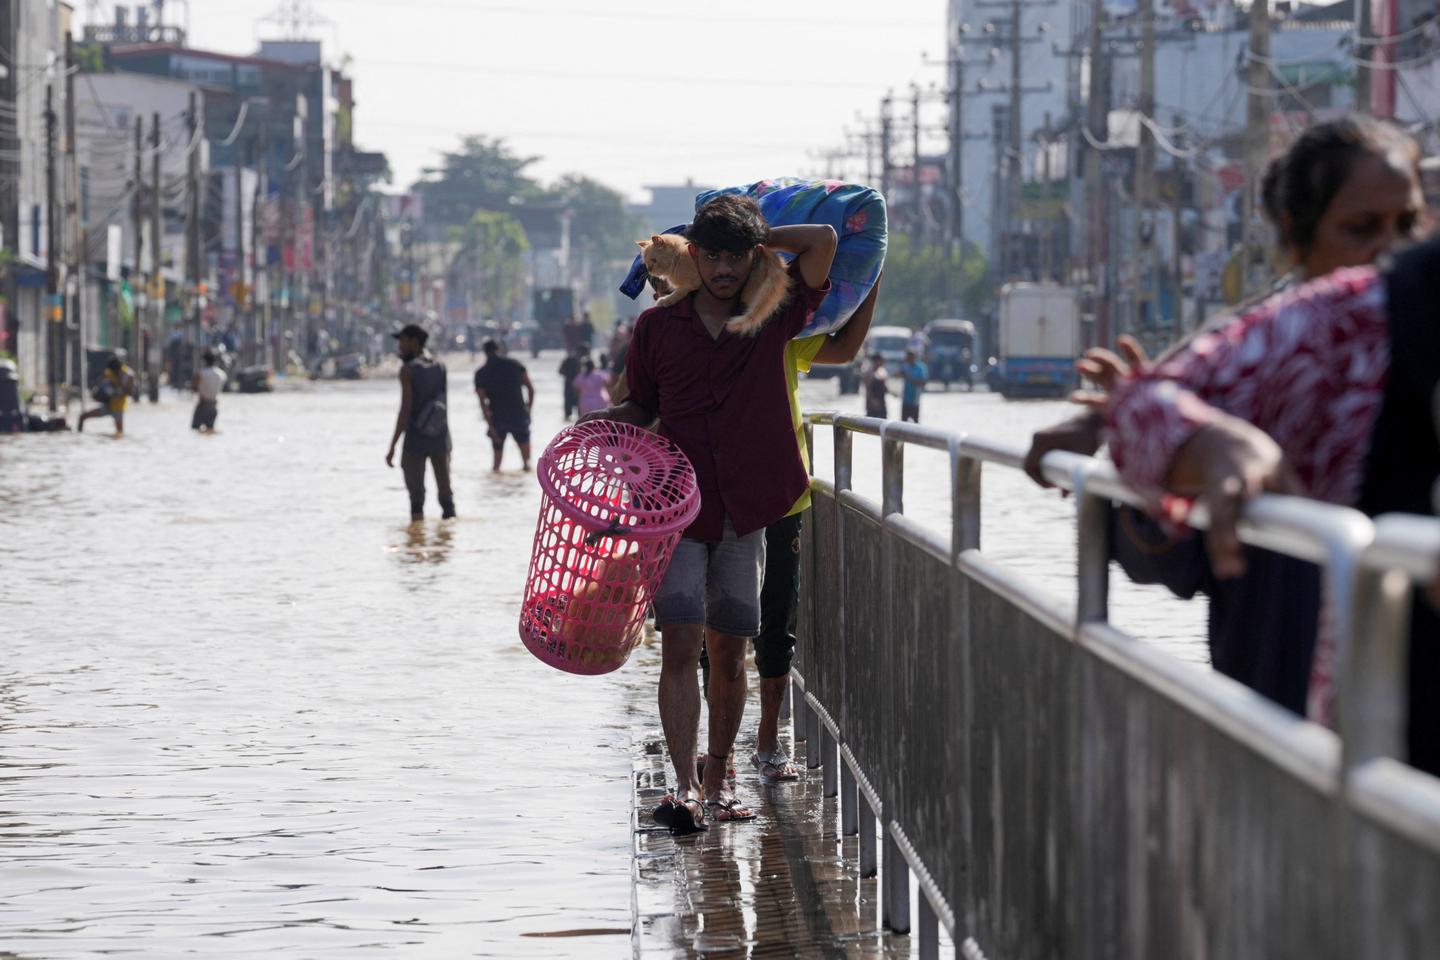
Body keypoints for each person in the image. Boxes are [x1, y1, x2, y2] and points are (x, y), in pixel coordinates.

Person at [1023, 114, 1424, 714]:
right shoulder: (1248, 362)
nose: (1388, 252)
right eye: (1362, 228)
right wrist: (1162, 441)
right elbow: (1162, 555)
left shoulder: (1423, 323)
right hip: (1279, 704)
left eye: (1408, 225)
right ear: (1297, 233)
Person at [581, 195, 837, 832]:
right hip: (675, 510)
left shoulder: (771, 315)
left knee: (730, 651)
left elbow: (824, 241)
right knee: (679, 644)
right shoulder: (658, 329)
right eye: (712, 254)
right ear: (694, 257)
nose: (724, 269)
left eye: (736, 255)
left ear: (752, 258)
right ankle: (684, 786)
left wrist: (757, 232)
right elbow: (641, 407)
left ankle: (720, 781)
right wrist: (601, 426)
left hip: (745, 508)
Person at [699, 275, 884, 786]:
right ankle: (719, 751)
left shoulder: (778, 332)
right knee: (712, 631)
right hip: (717, 494)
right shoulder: (692, 332)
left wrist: (869, 281)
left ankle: (767, 741)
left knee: (775, 618)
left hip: (780, 495)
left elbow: (844, 348)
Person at [385, 324, 455, 522]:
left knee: (416, 499)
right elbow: (443, 405)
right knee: (446, 496)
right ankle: (447, 545)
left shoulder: (407, 370)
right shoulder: (440, 366)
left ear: (414, 342)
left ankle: (416, 542)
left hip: (415, 440)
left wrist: (392, 446)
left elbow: (405, 410)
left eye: (403, 341)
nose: (400, 346)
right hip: (441, 439)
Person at [474, 338, 535, 472]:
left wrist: (490, 426)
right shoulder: (515, 365)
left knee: (496, 466)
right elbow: (530, 389)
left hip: (497, 418)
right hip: (518, 415)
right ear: (498, 349)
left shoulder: (481, 373)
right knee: (527, 464)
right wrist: (528, 412)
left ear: (485, 352)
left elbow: (483, 404)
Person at [78, 355, 136, 436]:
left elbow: (131, 393)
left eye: (117, 369)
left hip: (119, 407)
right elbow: (97, 388)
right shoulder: (108, 373)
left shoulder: (128, 375)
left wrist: (120, 388)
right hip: (108, 404)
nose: (115, 372)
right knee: (82, 417)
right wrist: (99, 394)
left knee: (119, 433)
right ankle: (79, 435)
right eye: (113, 370)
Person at [192, 350, 226, 432]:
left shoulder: (202, 373)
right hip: (214, 405)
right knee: (210, 429)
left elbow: (194, 388)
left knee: (195, 429)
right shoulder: (221, 374)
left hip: (203, 404)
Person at [900, 347, 928, 423]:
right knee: (903, 422)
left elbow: (923, 382)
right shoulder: (905, 366)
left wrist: (911, 379)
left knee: (915, 422)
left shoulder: (920, 367)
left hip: (915, 400)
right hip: (905, 399)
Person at [558, 348, 584, 420]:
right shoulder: (581, 361)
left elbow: (560, 371)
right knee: (579, 400)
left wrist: (567, 374)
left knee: (568, 401)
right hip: (578, 383)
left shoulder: (567, 360)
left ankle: (568, 416)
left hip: (568, 382)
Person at [863, 353, 889, 419]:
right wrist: (872, 400)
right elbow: (868, 389)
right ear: (876, 361)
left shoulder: (882, 371)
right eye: (881, 360)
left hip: (881, 401)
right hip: (873, 403)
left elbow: (884, 386)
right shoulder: (869, 372)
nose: (883, 362)